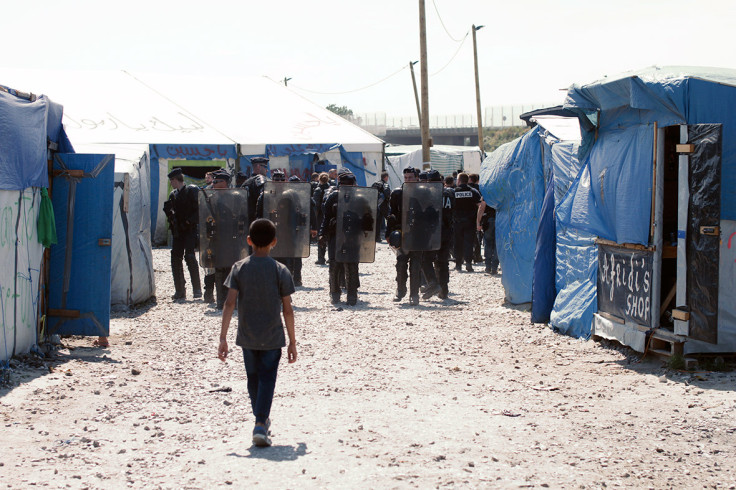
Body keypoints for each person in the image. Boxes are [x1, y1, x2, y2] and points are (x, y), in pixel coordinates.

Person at [217, 218, 297, 448]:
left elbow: (229, 303)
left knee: (253, 379)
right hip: (273, 337)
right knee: (267, 378)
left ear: (249, 241)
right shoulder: (280, 270)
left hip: (247, 336)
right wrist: (292, 341)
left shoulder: (239, 267)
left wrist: (223, 338)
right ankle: (260, 422)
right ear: (274, 242)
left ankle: (260, 418)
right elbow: (288, 309)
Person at [319, 169, 363, 305]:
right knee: (334, 264)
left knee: (352, 264)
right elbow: (326, 217)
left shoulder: (359, 198)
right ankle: (335, 292)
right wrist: (322, 233)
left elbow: (368, 217)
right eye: (344, 185)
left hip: (353, 236)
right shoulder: (333, 197)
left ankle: (351, 294)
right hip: (335, 235)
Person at [163, 168, 202, 300]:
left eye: (172, 180)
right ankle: (179, 290)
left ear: (176, 179)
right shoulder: (173, 194)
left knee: (190, 257)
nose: (171, 183)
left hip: (190, 229)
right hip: (178, 231)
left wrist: (188, 221)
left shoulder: (191, 191)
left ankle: (197, 289)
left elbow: (198, 210)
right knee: (175, 258)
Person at [386, 166, 423, 305]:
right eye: (406, 177)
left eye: (410, 177)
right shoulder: (397, 193)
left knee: (416, 265)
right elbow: (392, 215)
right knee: (401, 263)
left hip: (418, 234)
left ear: (416, 178)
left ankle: (414, 294)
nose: (408, 180)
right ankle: (400, 290)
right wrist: (389, 233)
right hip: (402, 233)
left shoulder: (424, 192)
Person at [452, 172, 482, 272]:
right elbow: (480, 205)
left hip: (457, 222)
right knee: (469, 243)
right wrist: (478, 219)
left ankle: (458, 264)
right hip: (470, 221)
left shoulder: (454, 192)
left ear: (459, 181)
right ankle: (468, 263)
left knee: (458, 243)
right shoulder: (473, 191)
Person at [312, 172, 331, 265]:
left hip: (320, 217)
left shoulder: (318, 190)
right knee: (331, 237)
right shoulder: (331, 189)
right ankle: (331, 257)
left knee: (321, 237)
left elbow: (315, 206)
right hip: (330, 216)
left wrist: (313, 220)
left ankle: (321, 258)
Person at [477, 199, 499, 275]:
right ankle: (494, 267)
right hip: (500, 221)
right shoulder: (502, 192)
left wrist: (478, 222)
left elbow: (481, 208)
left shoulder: (487, 192)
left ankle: (488, 267)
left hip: (489, 221)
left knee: (488, 244)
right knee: (497, 245)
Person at [468, 173, 484, 263]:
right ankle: (477, 255)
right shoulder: (480, 189)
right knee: (476, 238)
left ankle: (468, 257)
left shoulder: (468, 188)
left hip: (465, 217)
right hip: (477, 215)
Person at [371, 171, 391, 242]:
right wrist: (388, 199)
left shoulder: (375, 184)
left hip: (376, 205)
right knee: (391, 219)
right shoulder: (385, 184)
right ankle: (391, 236)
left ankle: (377, 237)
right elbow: (387, 193)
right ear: (386, 177)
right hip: (384, 205)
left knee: (378, 222)